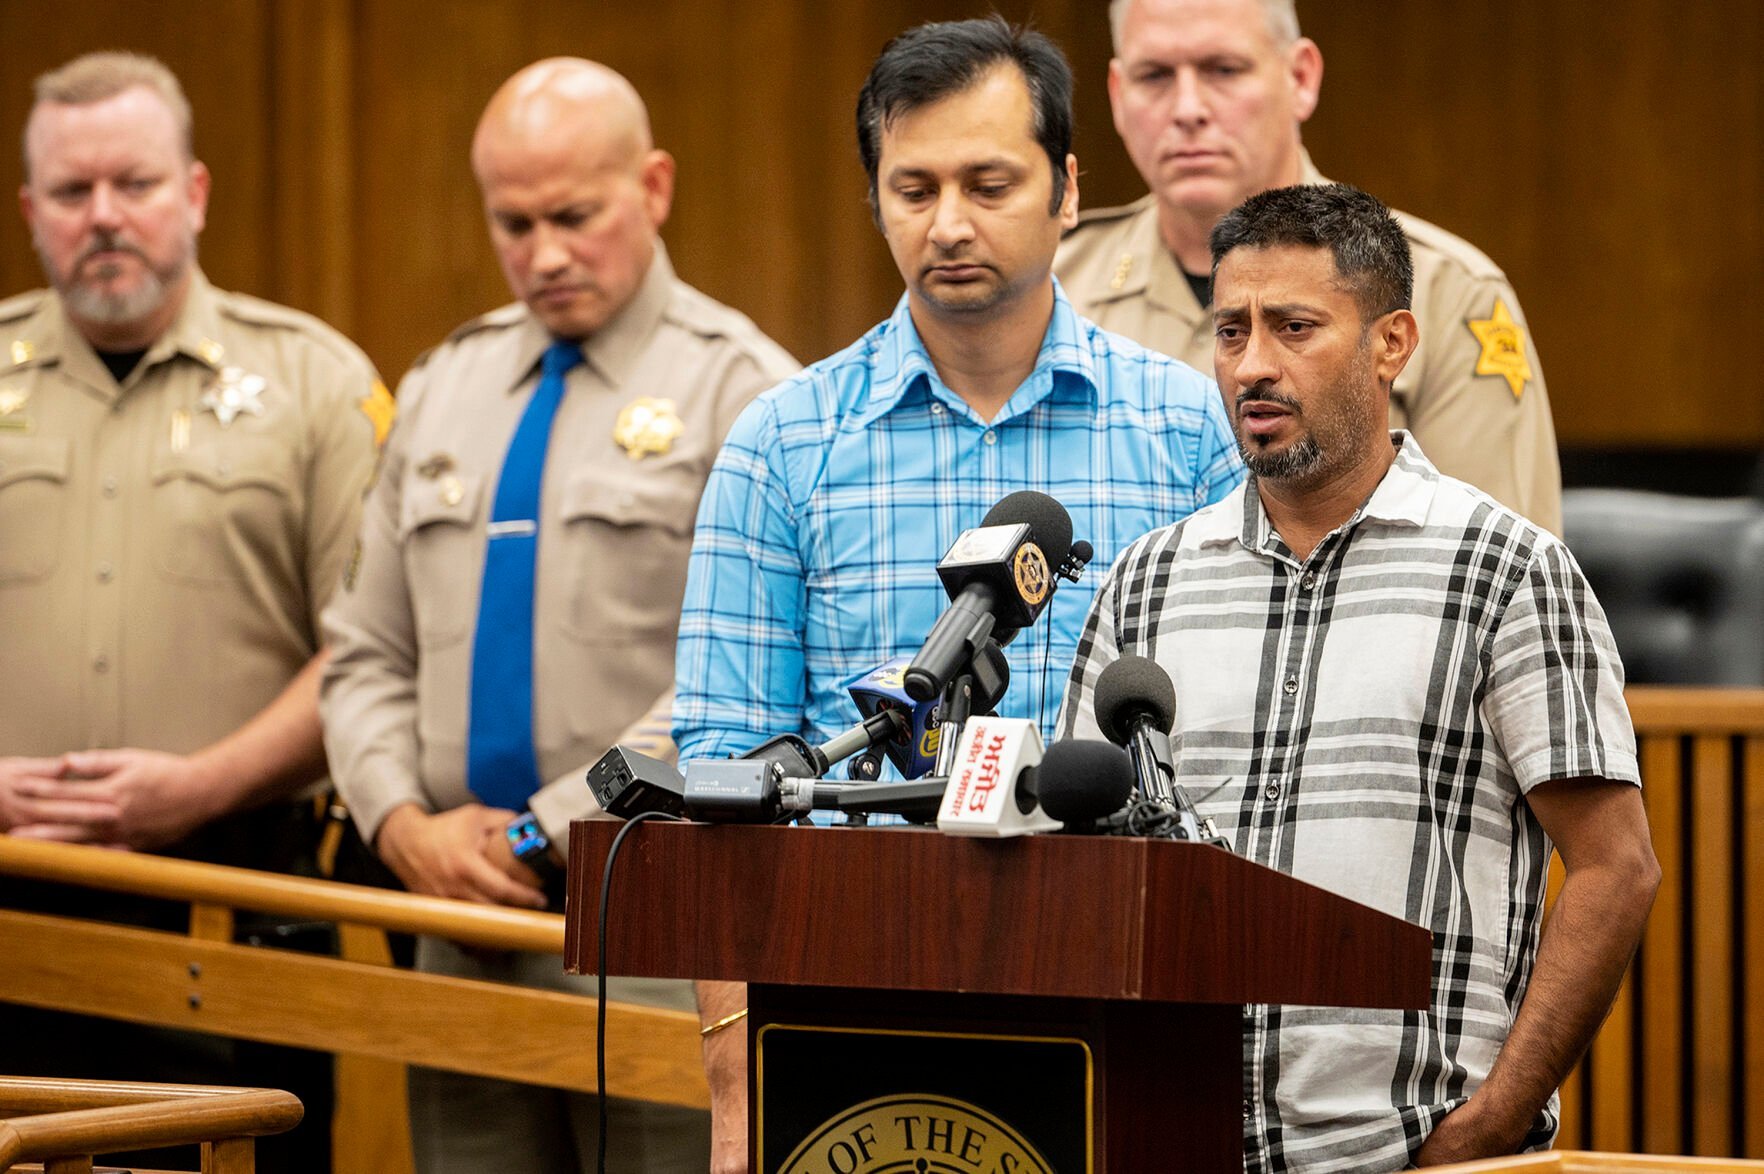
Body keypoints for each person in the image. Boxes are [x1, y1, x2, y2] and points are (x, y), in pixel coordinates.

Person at [671, 18, 1244, 1171]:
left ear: (1068, 188)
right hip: (850, 1011)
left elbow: (1242, 745)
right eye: (913, 187)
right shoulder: (783, 445)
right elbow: (721, 777)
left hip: (1132, 1004)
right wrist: (735, 1081)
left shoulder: (1188, 430)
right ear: (876, 197)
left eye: (989, 182)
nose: (949, 224)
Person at [1059, 183, 1659, 1172]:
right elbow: (1086, 879)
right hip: (1170, 1138)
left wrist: (1489, 1125)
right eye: (1231, 329)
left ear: (1392, 344)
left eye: (1295, 327)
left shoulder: (1504, 572)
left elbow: (1616, 866)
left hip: (1413, 1152)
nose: (1252, 365)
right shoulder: (1146, 582)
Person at [319, 58, 797, 1174]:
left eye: (575, 216)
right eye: (513, 222)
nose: (543, 254)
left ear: (656, 187)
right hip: (458, 915)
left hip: (650, 913)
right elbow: (363, 653)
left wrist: (546, 828)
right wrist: (399, 822)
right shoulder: (444, 385)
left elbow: (741, 681)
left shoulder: (750, 395)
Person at [0, 51, 383, 1173]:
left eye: (136, 183)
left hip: (237, 886)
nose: (103, 216)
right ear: (31, 211)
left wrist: (202, 785)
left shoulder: (316, 383)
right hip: (13, 897)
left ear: (197, 193)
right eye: (72, 193)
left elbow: (364, 653)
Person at [1056, 0, 1563, 534]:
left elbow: (1498, 570)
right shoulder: (1060, 287)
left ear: (1300, 78)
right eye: (1154, 75)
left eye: (1223, 70)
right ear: (1116, 94)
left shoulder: (1443, 289)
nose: (1187, 108)